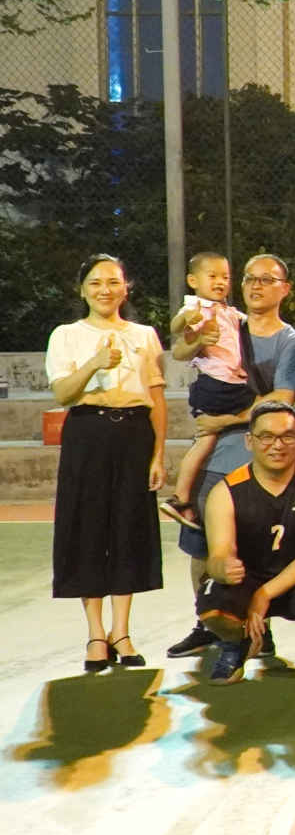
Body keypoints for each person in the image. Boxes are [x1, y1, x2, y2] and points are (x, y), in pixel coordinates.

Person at [165, 255, 295, 660]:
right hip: (214, 460)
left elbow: (282, 399)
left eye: (267, 279)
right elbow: (181, 348)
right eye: (250, 278)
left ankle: (258, 628)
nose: (256, 285)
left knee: (256, 552)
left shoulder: (291, 343)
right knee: (201, 547)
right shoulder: (226, 321)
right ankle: (207, 623)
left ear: (285, 289)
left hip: (262, 466)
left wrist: (223, 420)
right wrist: (195, 336)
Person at [48, 254, 167, 673]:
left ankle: (122, 631)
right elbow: (63, 394)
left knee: (128, 529)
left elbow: (156, 399)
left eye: (114, 282)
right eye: (96, 283)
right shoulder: (66, 335)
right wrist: (94, 364)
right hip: (87, 434)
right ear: (82, 290)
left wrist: (158, 454)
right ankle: (96, 634)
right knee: (89, 528)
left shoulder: (145, 335)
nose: (105, 290)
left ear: (125, 288)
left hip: (134, 434)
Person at [196, 402, 295, 685]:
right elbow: (218, 556)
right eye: (266, 436)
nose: (277, 445)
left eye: (287, 436)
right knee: (214, 608)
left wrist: (263, 595)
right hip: (249, 579)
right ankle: (236, 644)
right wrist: (223, 568)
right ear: (249, 441)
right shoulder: (225, 491)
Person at [164, 253, 255, 524]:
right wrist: (187, 320)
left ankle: (183, 498)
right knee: (208, 437)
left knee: (209, 438)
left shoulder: (228, 311)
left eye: (225, 277)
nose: (220, 281)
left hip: (231, 382)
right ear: (193, 281)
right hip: (216, 385)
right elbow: (176, 327)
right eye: (212, 276)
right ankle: (180, 498)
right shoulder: (197, 307)